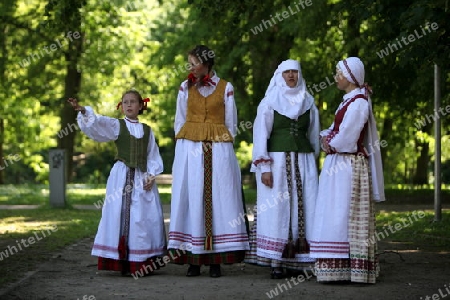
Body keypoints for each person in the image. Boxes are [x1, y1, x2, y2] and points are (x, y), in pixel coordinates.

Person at [167, 45, 250, 278]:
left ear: (206, 64)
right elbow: (179, 120)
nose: (191, 67)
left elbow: (231, 123)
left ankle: (216, 260)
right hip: (190, 147)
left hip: (219, 147)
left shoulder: (226, 88)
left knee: (219, 197)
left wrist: (225, 150)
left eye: (194, 63)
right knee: (193, 196)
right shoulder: (185, 87)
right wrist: (183, 151)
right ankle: (193, 260)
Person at [67, 90, 166, 277]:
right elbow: (98, 124)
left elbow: (153, 155)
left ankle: (141, 260)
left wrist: (151, 175)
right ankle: (120, 259)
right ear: (121, 106)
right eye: (125, 102)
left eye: (132, 102)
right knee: (119, 213)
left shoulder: (147, 130)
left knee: (142, 216)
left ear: (140, 106)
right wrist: (84, 111)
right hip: (121, 176)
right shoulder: (116, 125)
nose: (129, 105)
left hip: (141, 177)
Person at [310, 57, 385, 284]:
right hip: (338, 164)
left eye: (339, 73)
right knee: (334, 210)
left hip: (349, 165)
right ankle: (336, 266)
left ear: (351, 77)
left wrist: (328, 142)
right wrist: (328, 137)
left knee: (344, 211)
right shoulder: (348, 101)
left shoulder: (360, 102)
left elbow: (347, 137)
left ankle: (350, 266)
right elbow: (334, 129)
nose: (336, 77)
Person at [245, 59, 320, 279]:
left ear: (300, 75)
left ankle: (299, 260)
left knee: (305, 207)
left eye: (294, 72)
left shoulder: (309, 102)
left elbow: (314, 137)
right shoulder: (269, 102)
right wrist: (264, 167)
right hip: (276, 164)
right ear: (280, 75)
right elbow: (260, 137)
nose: (291, 76)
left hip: (304, 164)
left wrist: (312, 163)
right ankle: (276, 260)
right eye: (286, 72)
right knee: (277, 209)